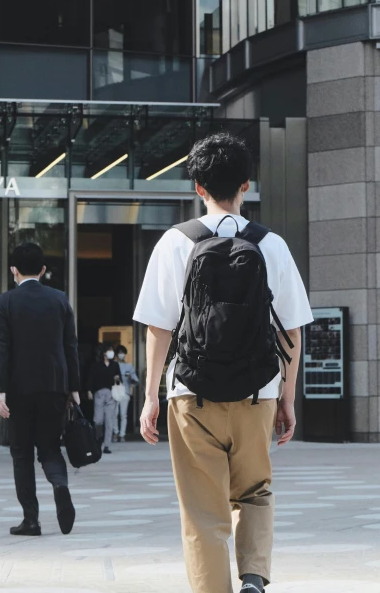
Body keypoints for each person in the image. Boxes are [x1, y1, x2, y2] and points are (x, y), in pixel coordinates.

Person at [134, 132, 313, 593]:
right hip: (257, 392)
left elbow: (159, 328)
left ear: (198, 187)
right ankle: (253, 577)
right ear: (246, 185)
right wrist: (286, 398)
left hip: (191, 394)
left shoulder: (174, 242)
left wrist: (151, 396)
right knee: (254, 490)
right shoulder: (271, 245)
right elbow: (291, 330)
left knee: (201, 508)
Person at [0, 242, 80, 538]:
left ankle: (31, 520)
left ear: (13, 270)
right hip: (54, 387)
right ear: (43, 270)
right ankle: (60, 485)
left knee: (21, 453)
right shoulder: (59, 299)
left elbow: (2, 349)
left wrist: (0, 390)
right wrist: (74, 388)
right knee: (50, 447)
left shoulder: (4, 302)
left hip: (18, 390)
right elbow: (71, 346)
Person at [87, 342, 121, 454]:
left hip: (111, 394)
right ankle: (97, 442)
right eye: (109, 350)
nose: (111, 352)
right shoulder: (96, 365)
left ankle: (107, 445)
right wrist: (89, 391)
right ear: (104, 353)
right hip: (99, 394)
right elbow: (91, 379)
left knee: (109, 421)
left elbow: (118, 380)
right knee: (98, 420)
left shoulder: (115, 365)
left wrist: (117, 379)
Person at [113, 345, 139, 442]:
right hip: (114, 391)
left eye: (122, 352)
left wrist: (130, 378)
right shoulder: (113, 364)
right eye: (119, 352)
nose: (121, 354)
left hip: (126, 391)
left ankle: (122, 434)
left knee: (123, 414)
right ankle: (115, 432)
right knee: (114, 414)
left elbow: (136, 381)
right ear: (116, 354)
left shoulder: (129, 366)